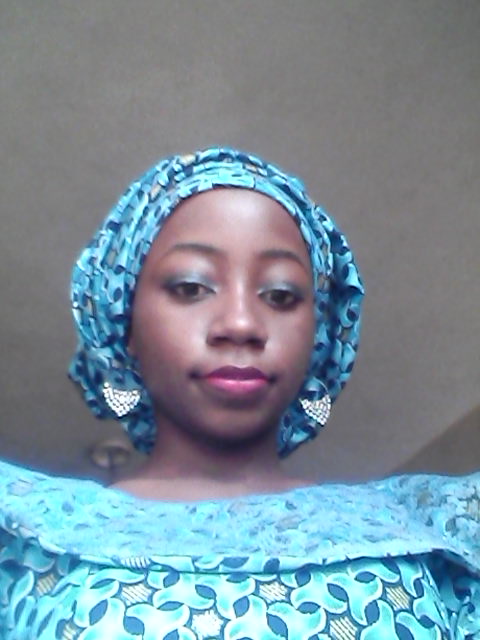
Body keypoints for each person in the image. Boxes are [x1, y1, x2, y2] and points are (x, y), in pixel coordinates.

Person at [0, 148, 478, 638]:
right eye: (191, 287)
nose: (242, 324)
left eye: (280, 295)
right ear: (124, 321)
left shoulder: (437, 538)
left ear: (319, 336)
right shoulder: (22, 542)